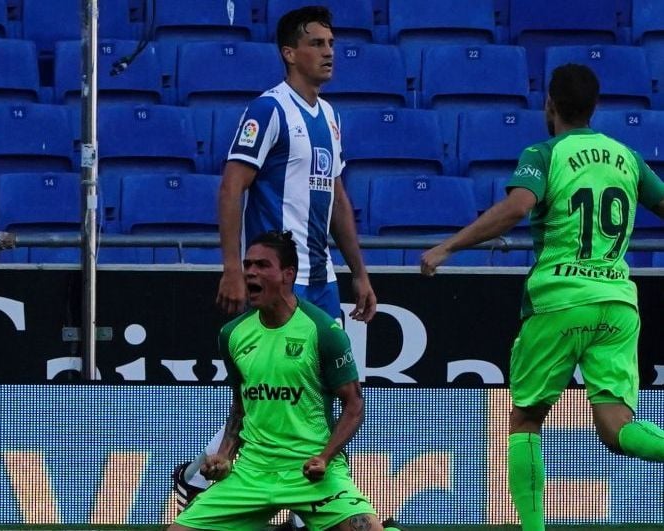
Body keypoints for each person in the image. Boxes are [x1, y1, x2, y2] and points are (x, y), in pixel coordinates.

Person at [421, 63, 664, 530]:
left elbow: (516, 207)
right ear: (596, 108)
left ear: (549, 104)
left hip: (558, 300)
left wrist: (448, 246)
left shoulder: (543, 153)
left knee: (526, 420)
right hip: (617, 304)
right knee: (616, 429)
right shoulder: (628, 157)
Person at [175, 6, 377, 529]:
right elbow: (232, 185)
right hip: (281, 279)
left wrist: (359, 271)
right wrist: (232, 268)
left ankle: (314, 499)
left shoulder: (330, 116)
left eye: (332, 42)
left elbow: (335, 196)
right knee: (267, 385)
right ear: (290, 52)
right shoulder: (268, 110)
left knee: (328, 395)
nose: (329, 51)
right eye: (317, 43)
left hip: (323, 280)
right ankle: (205, 474)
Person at [167, 230, 398, 531]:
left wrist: (325, 457)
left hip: (310, 470)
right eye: (248, 265)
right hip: (253, 472)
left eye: (262, 266)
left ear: (288, 274)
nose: (251, 272)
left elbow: (354, 405)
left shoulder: (322, 331)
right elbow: (240, 406)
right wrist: (225, 455)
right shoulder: (233, 335)